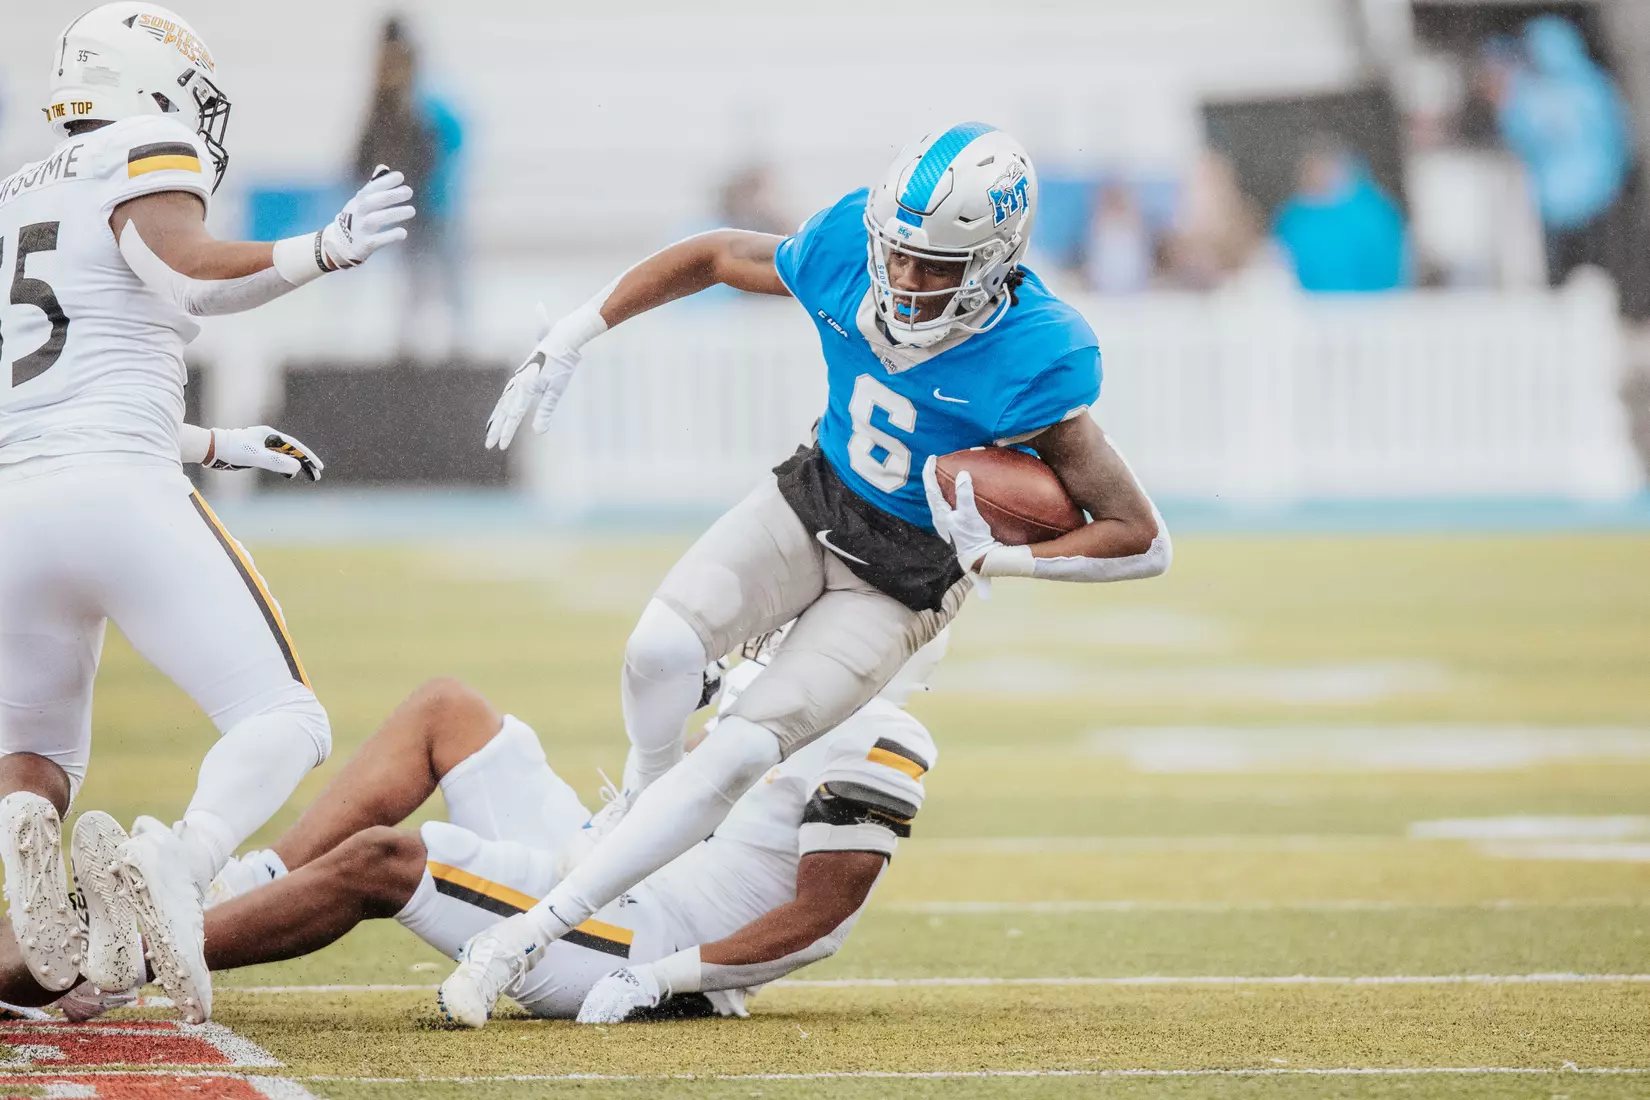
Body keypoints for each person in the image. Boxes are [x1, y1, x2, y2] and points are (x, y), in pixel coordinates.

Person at [448, 122, 1171, 1027]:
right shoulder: (843, 253)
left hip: (904, 579)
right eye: (898, 258)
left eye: (933, 267)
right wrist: (579, 327)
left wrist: (1005, 559)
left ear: (993, 263)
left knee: (745, 749)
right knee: (658, 650)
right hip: (815, 498)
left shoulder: (1037, 354)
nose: (905, 283)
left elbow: (1143, 538)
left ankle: (522, 939)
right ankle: (641, 802)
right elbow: (714, 254)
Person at [0, 3, 413, 1025]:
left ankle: (42, 940)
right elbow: (178, 264)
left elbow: (43, 390)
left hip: (16, 504)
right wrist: (318, 250)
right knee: (285, 717)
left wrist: (217, 443)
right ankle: (177, 858)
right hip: (118, 488)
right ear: (147, 79)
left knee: (40, 762)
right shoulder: (148, 145)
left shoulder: (12, 194)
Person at [18, 631, 945, 1026]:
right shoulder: (787, 675)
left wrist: (662, 979)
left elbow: (821, 920)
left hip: (639, 935)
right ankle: (229, 885)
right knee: (449, 709)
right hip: (613, 860)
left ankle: (113, 959)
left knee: (389, 862)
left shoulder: (881, 734)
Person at [1488, 16, 1632, 286]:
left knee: (1565, 280)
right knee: (1596, 279)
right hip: (1594, 199)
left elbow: (1513, 135)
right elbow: (1619, 138)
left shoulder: (1530, 92)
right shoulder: (1594, 86)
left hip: (1556, 204)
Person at [1272, 135, 1408, 293]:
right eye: (1310, 170)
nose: (1315, 176)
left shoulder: (1373, 215)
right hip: (1309, 309)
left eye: (1321, 168)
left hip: (1370, 307)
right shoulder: (1293, 217)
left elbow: (1391, 267)